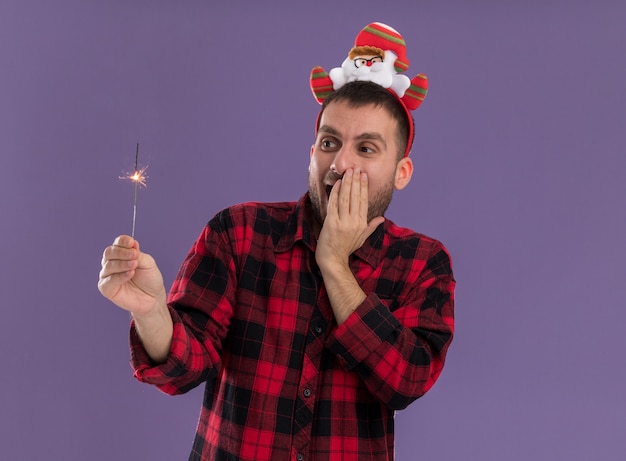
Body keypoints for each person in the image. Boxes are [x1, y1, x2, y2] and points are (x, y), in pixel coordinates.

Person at [98, 22, 455, 461]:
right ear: (311, 154)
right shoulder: (239, 232)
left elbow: (407, 380)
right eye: (329, 142)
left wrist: (335, 264)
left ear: (402, 172)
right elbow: (182, 371)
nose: (340, 164)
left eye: (366, 149)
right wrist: (151, 310)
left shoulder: (423, 262)